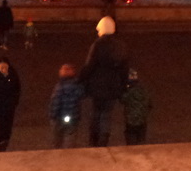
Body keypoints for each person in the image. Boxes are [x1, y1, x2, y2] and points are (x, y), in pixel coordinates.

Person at [79, 15, 128, 147]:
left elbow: (90, 65)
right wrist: (123, 86)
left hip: (97, 85)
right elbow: (124, 68)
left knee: (96, 112)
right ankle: (104, 139)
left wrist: (80, 79)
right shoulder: (120, 46)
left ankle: (94, 139)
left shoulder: (98, 45)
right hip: (113, 86)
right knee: (107, 114)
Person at [48, 63, 85, 148]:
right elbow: (81, 95)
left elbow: (56, 102)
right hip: (73, 116)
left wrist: (52, 115)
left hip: (59, 117)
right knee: (70, 136)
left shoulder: (59, 87)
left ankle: (57, 152)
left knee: (57, 137)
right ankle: (69, 151)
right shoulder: (77, 86)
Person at [120, 68, 152, 145]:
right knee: (141, 139)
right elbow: (150, 104)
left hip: (131, 120)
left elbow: (122, 100)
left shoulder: (129, 92)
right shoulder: (143, 90)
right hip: (142, 119)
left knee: (131, 138)